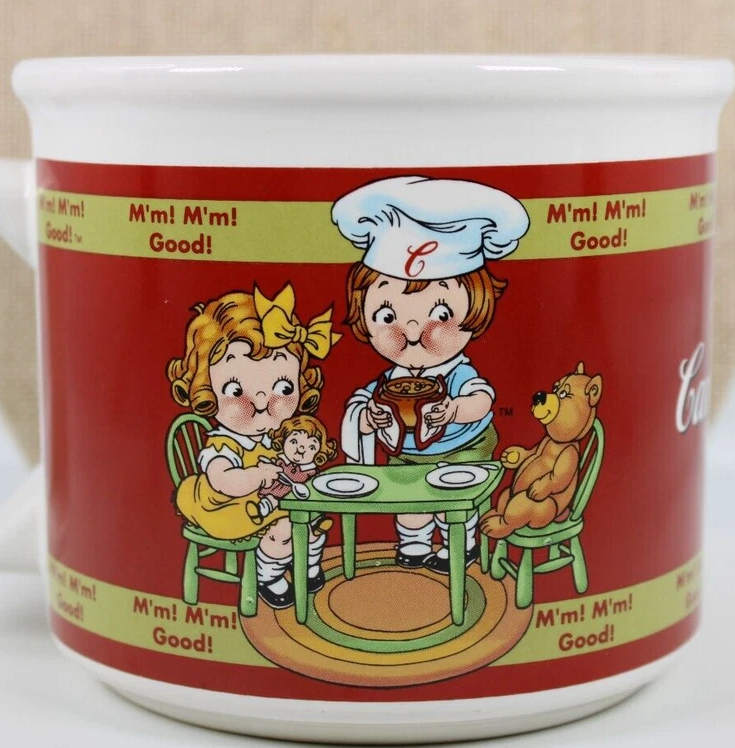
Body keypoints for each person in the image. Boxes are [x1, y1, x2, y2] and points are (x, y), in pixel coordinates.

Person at [332, 176, 529, 574]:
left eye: (440, 314)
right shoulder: (389, 381)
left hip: (464, 449)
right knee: (410, 507)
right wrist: (368, 417)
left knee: (453, 504)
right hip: (409, 456)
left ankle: (462, 545)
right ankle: (415, 544)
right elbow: (361, 407)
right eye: (387, 315)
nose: (411, 329)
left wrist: (455, 410)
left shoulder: (458, 373)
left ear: (476, 311)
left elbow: (482, 400)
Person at [168, 284, 341, 609]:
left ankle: (308, 565)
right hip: (226, 507)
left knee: (312, 520)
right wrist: (258, 475)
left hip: (262, 500)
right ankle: (269, 576)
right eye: (236, 390)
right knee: (283, 528)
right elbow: (224, 480)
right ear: (207, 391)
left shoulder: (274, 438)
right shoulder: (223, 445)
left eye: (283, 387)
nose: (262, 401)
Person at [247, 414, 337, 522]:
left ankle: (316, 523)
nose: (301, 449)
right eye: (294, 442)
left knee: (310, 508)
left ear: (318, 452)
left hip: (301, 502)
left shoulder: (311, 472)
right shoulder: (281, 462)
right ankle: (261, 510)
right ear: (283, 440)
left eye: (311, 447)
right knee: (272, 499)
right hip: (278, 494)